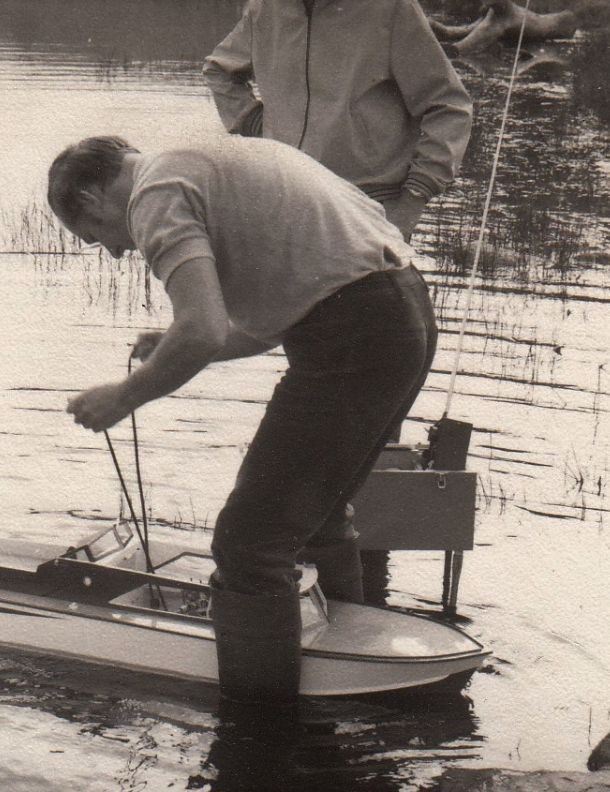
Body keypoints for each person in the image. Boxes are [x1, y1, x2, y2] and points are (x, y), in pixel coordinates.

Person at [50, 134, 437, 704]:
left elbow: (202, 329)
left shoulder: (152, 194)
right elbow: (271, 317)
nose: (112, 250)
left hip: (356, 335)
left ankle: (261, 734)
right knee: (319, 516)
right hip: (405, 318)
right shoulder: (200, 159)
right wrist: (172, 345)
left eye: (94, 235)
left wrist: (124, 396)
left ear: (91, 194)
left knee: (248, 544)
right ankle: (355, 667)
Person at [203, 0, 473, 241]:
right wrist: (255, 125)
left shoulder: (392, 8)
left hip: (369, 207)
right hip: (283, 199)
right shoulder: (264, 7)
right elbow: (220, 71)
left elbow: (449, 107)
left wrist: (412, 202)